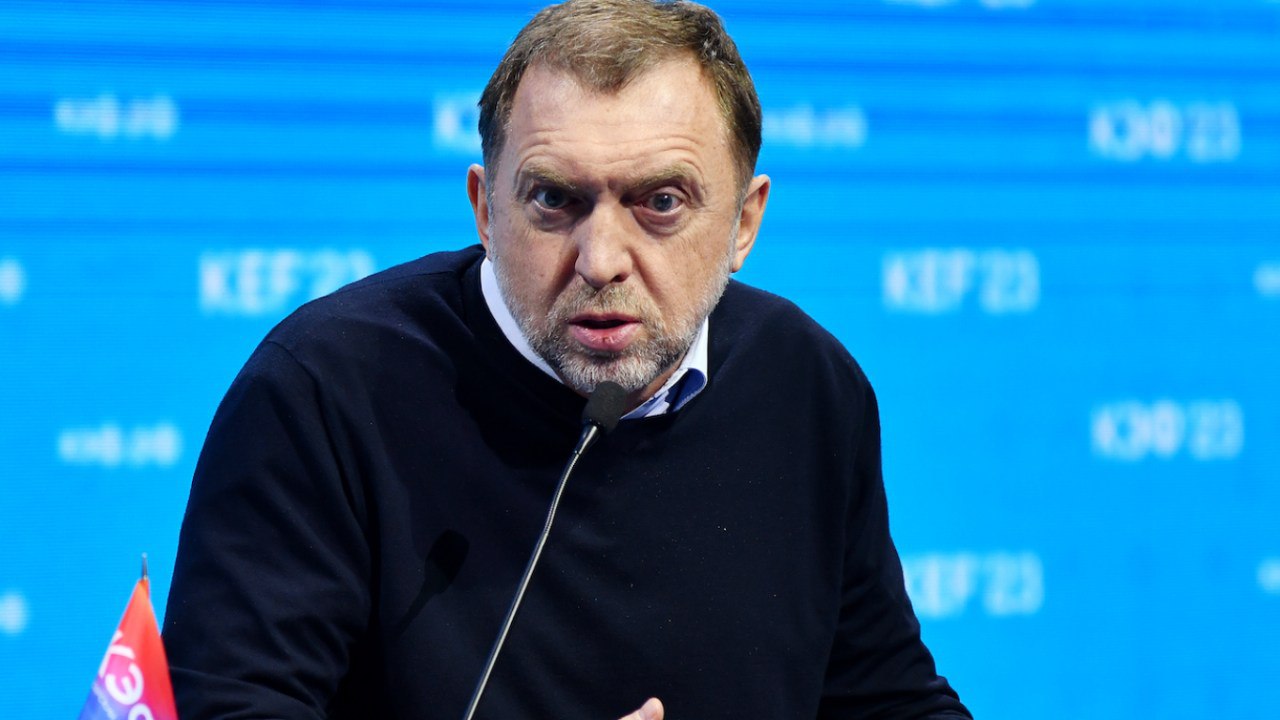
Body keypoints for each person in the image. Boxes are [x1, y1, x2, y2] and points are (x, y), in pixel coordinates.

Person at [162, 1, 972, 718]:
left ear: (745, 223)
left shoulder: (805, 384)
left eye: (661, 202)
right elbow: (234, 705)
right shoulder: (324, 390)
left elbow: (881, 694)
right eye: (555, 200)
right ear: (486, 210)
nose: (602, 260)